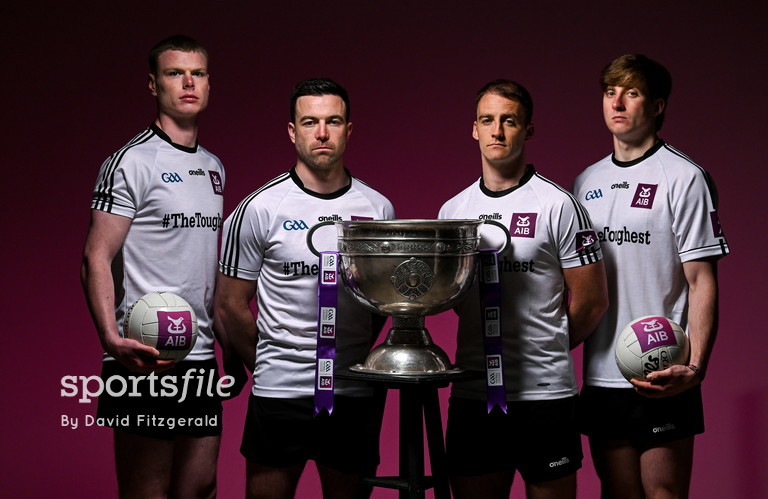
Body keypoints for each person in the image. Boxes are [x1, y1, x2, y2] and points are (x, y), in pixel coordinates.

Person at [81, 35, 245, 498]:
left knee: (200, 487)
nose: (188, 82)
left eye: (198, 73)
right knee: (146, 490)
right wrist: (111, 340)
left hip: (198, 354)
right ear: (154, 85)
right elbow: (96, 255)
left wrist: (226, 342)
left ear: (209, 84)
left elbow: (199, 263)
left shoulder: (214, 166)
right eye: (175, 73)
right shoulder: (132, 162)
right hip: (145, 353)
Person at [215, 78, 395, 499]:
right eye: (309, 122)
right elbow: (229, 305)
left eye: (333, 121)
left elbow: (382, 301)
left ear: (348, 130)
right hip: (281, 390)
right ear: (292, 131)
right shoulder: (259, 209)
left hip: (353, 389)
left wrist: (348, 355)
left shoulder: (378, 208)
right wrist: (271, 364)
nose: (321, 133)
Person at [438, 79, 609, 499]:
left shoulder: (558, 204)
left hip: (544, 395)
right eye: (487, 120)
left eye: (508, 121)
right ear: (474, 129)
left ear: (527, 130)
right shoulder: (454, 211)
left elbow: (591, 301)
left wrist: (544, 347)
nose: (497, 131)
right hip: (474, 391)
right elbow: (451, 298)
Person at [573, 54, 730, 498]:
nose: (617, 103)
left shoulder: (683, 177)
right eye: (610, 93)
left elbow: (702, 281)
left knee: (663, 494)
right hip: (602, 373)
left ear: (657, 106)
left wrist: (695, 367)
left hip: (665, 367)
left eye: (632, 92)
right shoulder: (585, 182)